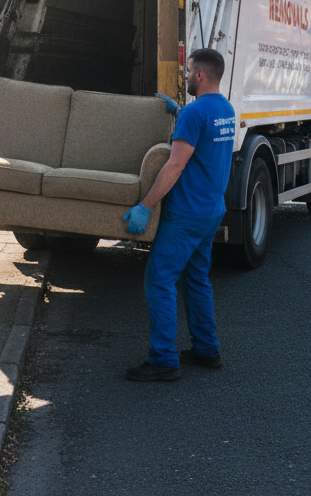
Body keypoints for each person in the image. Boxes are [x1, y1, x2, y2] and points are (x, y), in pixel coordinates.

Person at [121, 48, 235, 382]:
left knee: (160, 279)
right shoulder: (224, 109)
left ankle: (163, 359)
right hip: (212, 211)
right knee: (197, 278)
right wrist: (181, 112)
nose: (185, 77)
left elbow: (175, 164)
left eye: (187, 72)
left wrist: (145, 205)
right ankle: (206, 349)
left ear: (200, 75)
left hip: (186, 214)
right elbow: (205, 143)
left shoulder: (194, 115)